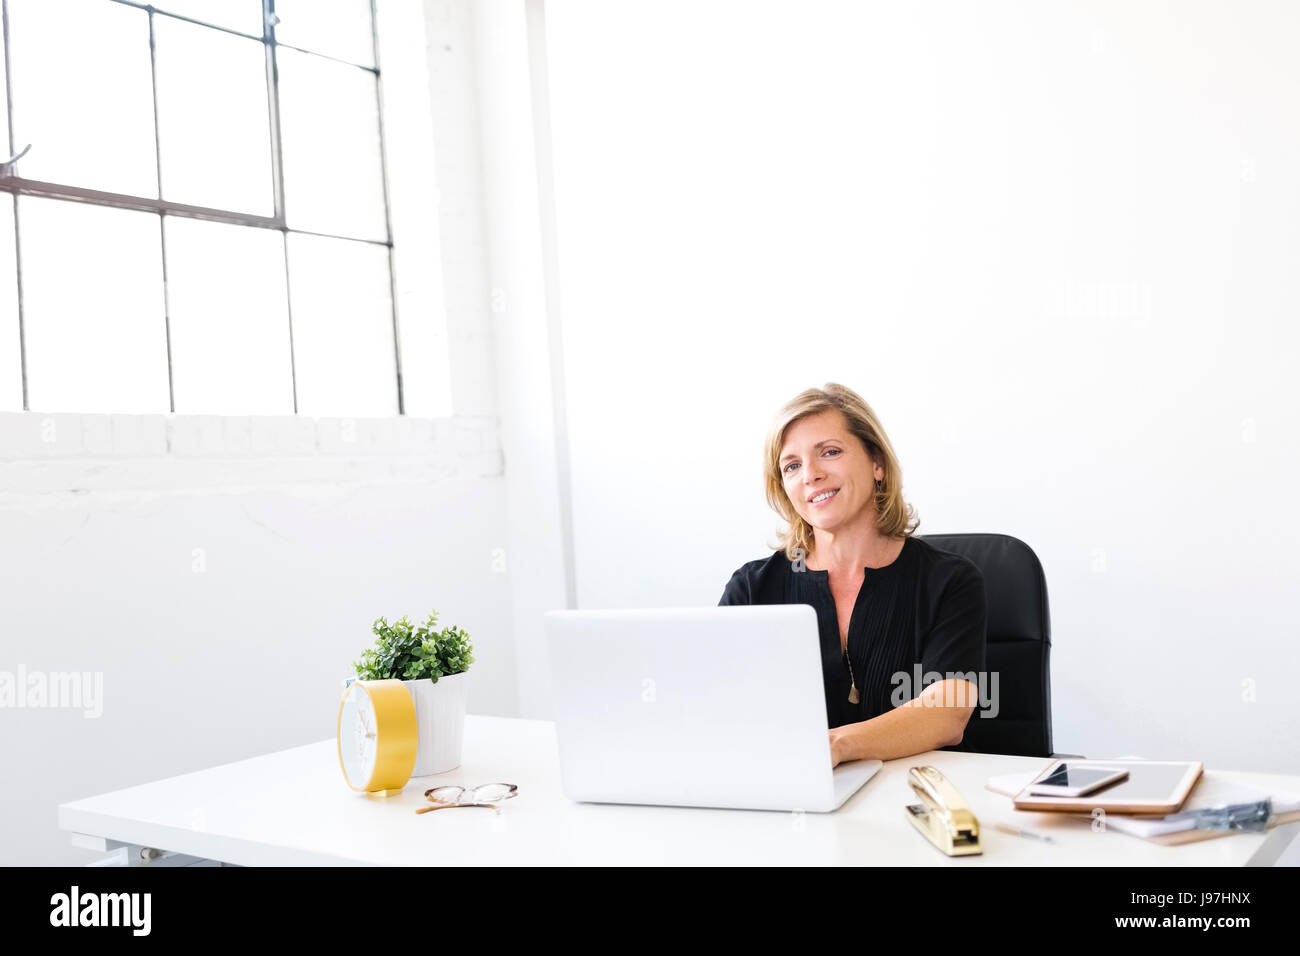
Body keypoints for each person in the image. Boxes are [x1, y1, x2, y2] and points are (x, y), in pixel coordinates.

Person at [718, 382, 986, 766]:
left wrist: (835, 746)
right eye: (792, 466)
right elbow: (715, 708)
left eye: (829, 452)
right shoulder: (751, 588)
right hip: (795, 802)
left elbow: (946, 714)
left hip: (917, 802)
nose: (810, 474)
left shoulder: (950, 581)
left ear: (876, 463)